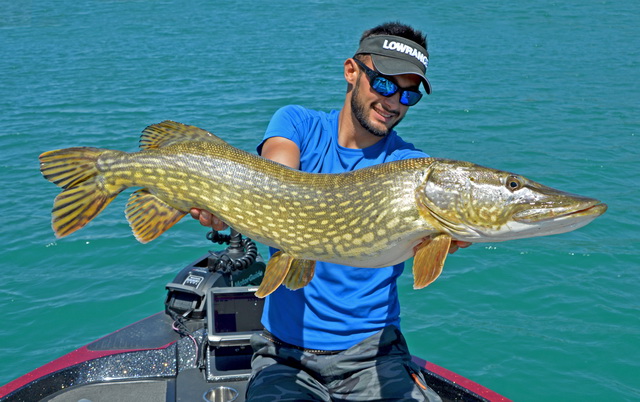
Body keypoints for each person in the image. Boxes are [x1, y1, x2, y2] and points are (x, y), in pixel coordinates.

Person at [191, 22, 470, 401]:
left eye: (409, 96)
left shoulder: (412, 169)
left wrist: (447, 239)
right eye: (385, 84)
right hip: (283, 357)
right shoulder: (297, 124)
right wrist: (226, 204)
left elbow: (433, 249)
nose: (393, 103)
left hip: (373, 357)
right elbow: (279, 175)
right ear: (351, 72)